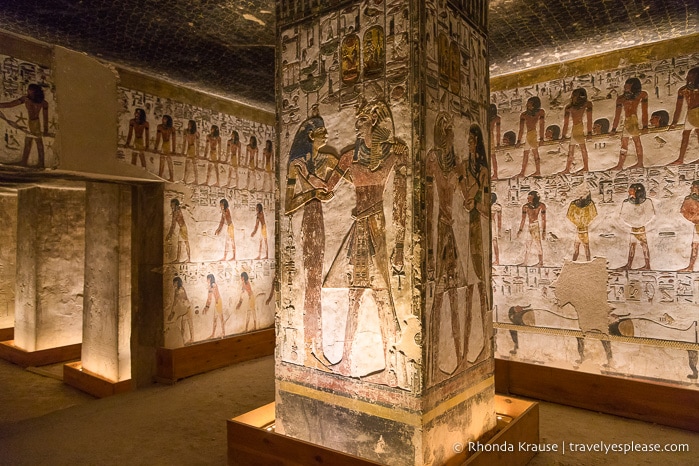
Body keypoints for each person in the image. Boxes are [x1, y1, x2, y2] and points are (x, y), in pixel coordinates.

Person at [323, 98, 407, 384]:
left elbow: (400, 199)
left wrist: (400, 247)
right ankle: (346, 358)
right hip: (359, 227)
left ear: (373, 121)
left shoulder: (393, 155)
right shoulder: (348, 157)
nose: (356, 125)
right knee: (354, 294)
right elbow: (326, 190)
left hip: (376, 226)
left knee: (381, 294)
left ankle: (392, 363)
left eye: (361, 121)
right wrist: (308, 171)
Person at [285, 109, 338, 368]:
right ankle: (310, 347)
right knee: (311, 283)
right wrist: (313, 195)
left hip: (320, 221)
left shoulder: (327, 160)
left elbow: (339, 180)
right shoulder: (297, 166)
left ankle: (315, 345)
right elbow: (288, 205)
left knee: (316, 282)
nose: (326, 134)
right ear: (310, 136)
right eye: (320, 132)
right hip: (309, 220)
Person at [425, 112, 468, 380]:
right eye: (445, 129)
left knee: (455, 294)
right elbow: (429, 202)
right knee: (440, 295)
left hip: (453, 229)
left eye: (450, 129)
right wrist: (429, 250)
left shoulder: (457, 164)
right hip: (440, 229)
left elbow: (467, 195)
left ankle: (459, 358)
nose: (449, 133)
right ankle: (434, 363)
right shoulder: (432, 160)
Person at [463, 123, 491, 366]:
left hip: (478, 227)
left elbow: (485, 206)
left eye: (472, 141)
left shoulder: (482, 170)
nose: (469, 144)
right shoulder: (465, 167)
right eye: (468, 140)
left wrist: (475, 204)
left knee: (480, 280)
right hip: (464, 225)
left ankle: (482, 344)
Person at [0, 83, 49, 168]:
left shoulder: (39, 102)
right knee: (29, 141)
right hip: (33, 122)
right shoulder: (32, 100)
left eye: (29, 90)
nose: (27, 91)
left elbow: (45, 117)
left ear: (33, 91)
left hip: (34, 123)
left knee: (37, 141)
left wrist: (45, 130)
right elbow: (11, 104)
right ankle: (26, 161)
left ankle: (40, 163)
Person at [611, 77, 648, 170]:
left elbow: (644, 111)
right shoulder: (621, 99)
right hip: (627, 121)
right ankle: (620, 165)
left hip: (633, 120)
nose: (625, 87)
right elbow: (617, 115)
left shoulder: (642, 95)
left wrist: (645, 126)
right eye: (625, 85)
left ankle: (640, 163)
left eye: (628, 86)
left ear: (633, 87)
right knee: (624, 143)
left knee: (637, 141)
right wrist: (614, 129)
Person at [617, 183, 655, 270]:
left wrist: (639, 222)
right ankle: (629, 265)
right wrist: (632, 223)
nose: (628, 191)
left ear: (637, 192)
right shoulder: (626, 203)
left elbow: (650, 215)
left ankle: (647, 265)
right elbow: (623, 215)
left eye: (631, 190)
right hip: (633, 227)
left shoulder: (647, 202)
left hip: (641, 227)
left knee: (643, 245)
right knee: (632, 245)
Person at [669, 67, 699, 165]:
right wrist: (674, 122)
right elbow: (678, 107)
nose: (688, 78)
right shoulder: (682, 90)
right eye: (688, 76)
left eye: (691, 77)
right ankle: (680, 159)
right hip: (690, 114)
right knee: (685, 135)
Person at [560, 88, 593, 174]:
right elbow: (566, 124)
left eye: (574, 96)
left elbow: (589, 119)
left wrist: (589, 132)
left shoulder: (587, 104)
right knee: (571, 150)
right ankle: (567, 168)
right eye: (572, 96)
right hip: (574, 129)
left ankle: (586, 167)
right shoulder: (569, 107)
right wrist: (563, 135)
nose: (572, 97)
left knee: (582, 148)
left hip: (579, 127)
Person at [516, 96, 545, 177]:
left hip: (533, 134)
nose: (528, 105)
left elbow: (542, 125)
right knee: (526, 153)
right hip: (529, 134)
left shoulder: (540, 112)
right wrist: (518, 141)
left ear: (535, 105)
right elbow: (521, 129)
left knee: (535, 152)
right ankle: (522, 172)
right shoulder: (523, 115)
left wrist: (542, 138)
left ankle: (538, 171)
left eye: (530, 103)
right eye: (528, 103)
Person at [566, 189, 598, 261]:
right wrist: (576, 224)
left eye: (583, 195)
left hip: (584, 230)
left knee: (586, 248)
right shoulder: (573, 204)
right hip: (578, 229)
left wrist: (586, 223)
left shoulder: (590, 204)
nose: (581, 196)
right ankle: (573, 263)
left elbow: (594, 216)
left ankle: (588, 262)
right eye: (580, 194)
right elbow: (569, 216)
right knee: (576, 249)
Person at [517, 190, 546, 266]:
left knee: (538, 244)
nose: (528, 199)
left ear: (534, 198)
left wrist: (544, 231)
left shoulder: (541, 206)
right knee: (528, 244)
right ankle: (525, 262)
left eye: (529, 197)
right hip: (530, 226)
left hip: (535, 226)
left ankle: (541, 262)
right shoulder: (525, 206)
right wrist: (520, 229)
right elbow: (523, 219)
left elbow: (543, 219)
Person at [679, 180, 699, 271]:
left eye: (694, 187)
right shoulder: (689, 199)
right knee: (694, 245)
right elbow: (683, 211)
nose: (692, 189)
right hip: (696, 224)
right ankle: (691, 266)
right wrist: (693, 218)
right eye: (692, 187)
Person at [167, 277, 194, 345]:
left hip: (187, 308)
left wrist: (173, 312)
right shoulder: (178, 290)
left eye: (175, 282)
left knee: (189, 324)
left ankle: (191, 339)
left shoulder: (180, 289)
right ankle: (182, 341)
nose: (174, 284)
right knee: (183, 326)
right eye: (174, 283)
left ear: (177, 282)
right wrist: (172, 312)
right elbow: (175, 302)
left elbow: (180, 300)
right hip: (184, 309)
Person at [165, 198, 191, 263]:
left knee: (185, 243)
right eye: (171, 204)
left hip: (183, 228)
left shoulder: (176, 212)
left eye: (172, 205)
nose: (171, 206)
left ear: (176, 205)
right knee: (180, 243)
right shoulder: (177, 211)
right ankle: (179, 259)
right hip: (182, 228)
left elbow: (173, 225)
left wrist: (169, 234)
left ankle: (188, 259)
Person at [202, 274, 225, 339]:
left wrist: (206, 307)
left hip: (218, 302)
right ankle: (213, 334)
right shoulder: (212, 285)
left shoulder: (213, 285)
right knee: (215, 319)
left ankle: (223, 333)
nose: (207, 281)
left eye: (207, 279)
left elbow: (209, 298)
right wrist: (206, 306)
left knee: (221, 318)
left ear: (210, 279)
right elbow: (209, 297)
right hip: (217, 302)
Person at [155, 114, 176, 181]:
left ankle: (171, 177)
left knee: (168, 160)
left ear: (168, 120)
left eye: (164, 119)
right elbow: (158, 138)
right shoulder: (159, 127)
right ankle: (160, 175)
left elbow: (173, 140)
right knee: (162, 160)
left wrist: (174, 150)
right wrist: (155, 147)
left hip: (168, 144)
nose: (163, 120)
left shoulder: (172, 129)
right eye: (163, 118)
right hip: (164, 144)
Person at [182, 120, 200, 184]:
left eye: (190, 124)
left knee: (194, 165)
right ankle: (184, 179)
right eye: (188, 124)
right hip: (188, 149)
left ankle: (196, 180)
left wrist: (197, 154)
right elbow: (184, 142)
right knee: (187, 165)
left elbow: (197, 145)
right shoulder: (186, 131)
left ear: (193, 125)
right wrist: (183, 152)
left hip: (193, 149)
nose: (189, 125)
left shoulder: (196, 133)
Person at [488, 104, 501, 179]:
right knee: (491, 156)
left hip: (490, 136)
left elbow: (498, 132)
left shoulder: (497, 118)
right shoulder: (495, 118)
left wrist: (498, 143)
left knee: (492, 155)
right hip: (487, 135)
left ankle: (495, 174)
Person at [492, 193, 502, 266]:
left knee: (494, 241)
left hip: (492, 224)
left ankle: (497, 260)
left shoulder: (496, 207)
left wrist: (499, 230)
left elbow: (499, 220)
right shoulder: (496, 206)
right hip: (488, 223)